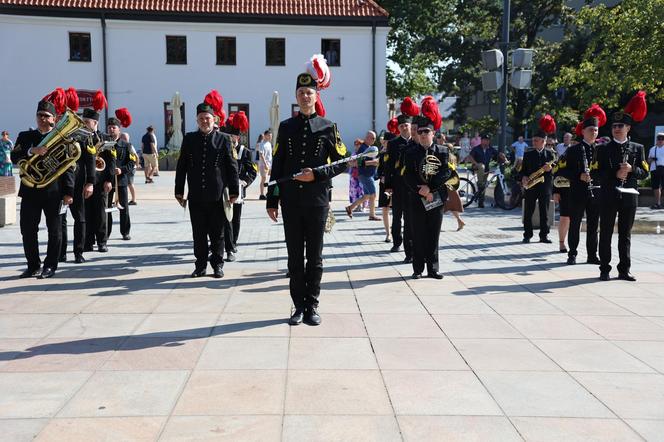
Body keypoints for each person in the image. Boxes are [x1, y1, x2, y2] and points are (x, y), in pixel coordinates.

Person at [266, 64, 348, 327]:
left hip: (316, 202)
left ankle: (312, 304)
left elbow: (343, 162)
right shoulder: (286, 127)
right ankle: (298, 306)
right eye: (301, 92)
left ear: (316, 96)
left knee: (314, 256)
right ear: (296, 96)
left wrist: (317, 176)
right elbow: (278, 165)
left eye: (309, 92)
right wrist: (272, 199)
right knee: (293, 256)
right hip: (291, 201)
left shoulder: (328, 127)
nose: (305, 97)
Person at [175, 94, 239, 279]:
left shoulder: (224, 139)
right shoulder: (189, 139)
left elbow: (232, 167)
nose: (205, 121)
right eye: (201, 118)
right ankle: (200, 265)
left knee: (217, 233)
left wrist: (234, 191)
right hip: (195, 195)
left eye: (208, 118)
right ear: (197, 120)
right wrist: (179, 190)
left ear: (214, 119)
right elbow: (182, 166)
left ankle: (218, 265)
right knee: (199, 233)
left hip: (217, 196)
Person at [11, 100, 74, 279]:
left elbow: (69, 166)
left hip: (54, 191)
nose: (42, 119)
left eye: (46, 116)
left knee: (55, 230)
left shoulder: (61, 138)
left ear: (54, 119)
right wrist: (32, 151)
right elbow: (14, 156)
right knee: (27, 229)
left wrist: (69, 192)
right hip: (30, 190)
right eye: (39, 115)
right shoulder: (25, 136)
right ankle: (33, 265)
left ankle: (50, 266)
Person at [597, 92, 649, 281]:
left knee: (625, 235)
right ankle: (604, 268)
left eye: (620, 126)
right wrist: (614, 174)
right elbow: (596, 173)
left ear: (628, 128)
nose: (616, 129)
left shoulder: (637, 148)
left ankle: (624, 269)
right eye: (614, 126)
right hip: (609, 195)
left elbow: (645, 173)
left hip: (629, 196)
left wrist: (631, 169)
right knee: (606, 233)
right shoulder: (602, 149)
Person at [404, 110, 450, 279]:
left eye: (426, 132)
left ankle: (433, 269)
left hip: (436, 197)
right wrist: (420, 190)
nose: (423, 135)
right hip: (417, 198)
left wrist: (430, 188)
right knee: (418, 234)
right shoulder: (410, 152)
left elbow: (445, 173)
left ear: (433, 133)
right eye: (420, 132)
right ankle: (417, 269)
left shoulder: (443, 151)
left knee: (433, 234)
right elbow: (407, 175)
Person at [562, 108, 604, 265]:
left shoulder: (601, 150)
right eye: (591, 130)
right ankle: (572, 253)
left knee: (594, 225)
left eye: (596, 130)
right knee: (575, 224)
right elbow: (562, 170)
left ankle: (592, 255)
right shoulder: (573, 150)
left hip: (596, 192)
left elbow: (605, 170)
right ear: (583, 132)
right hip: (578, 192)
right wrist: (578, 176)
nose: (594, 132)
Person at [60, 104, 96, 264]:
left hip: (78, 182)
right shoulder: (60, 136)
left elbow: (90, 161)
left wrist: (90, 183)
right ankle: (60, 253)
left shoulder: (84, 137)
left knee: (80, 219)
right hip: (60, 183)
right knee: (60, 219)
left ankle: (78, 252)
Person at [384, 98, 419, 262]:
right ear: (398, 128)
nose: (405, 128)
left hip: (411, 186)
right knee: (397, 215)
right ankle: (396, 241)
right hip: (397, 185)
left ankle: (409, 248)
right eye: (402, 126)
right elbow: (388, 166)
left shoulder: (416, 143)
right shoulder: (393, 143)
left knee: (410, 218)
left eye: (407, 126)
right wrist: (388, 185)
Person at [222, 111, 257, 261]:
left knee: (235, 218)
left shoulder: (245, 152)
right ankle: (226, 245)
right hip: (224, 189)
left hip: (239, 189)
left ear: (237, 137)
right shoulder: (222, 150)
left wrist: (245, 181)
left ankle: (233, 242)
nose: (231, 139)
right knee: (225, 218)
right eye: (228, 136)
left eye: (233, 136)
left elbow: (252, 171)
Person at [83, 94, 115, 253]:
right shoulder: (80, 138)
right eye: (83, 122)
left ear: (95, 123)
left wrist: (109, 180)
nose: (84, 124)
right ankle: (88, 241)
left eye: (86, 122)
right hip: (84, 180)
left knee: (101, 212)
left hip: (101, 180)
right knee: (86, 212)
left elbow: (111, 161)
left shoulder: (105, 138)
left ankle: (102, 241)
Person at [519, 117, 556, 244]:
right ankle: (527, 235)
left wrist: (550, 169)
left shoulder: (551, 154)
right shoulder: (528, 154)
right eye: (533, 140)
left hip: (545, 186)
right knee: (528, 211)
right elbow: (522, 171)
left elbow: (556, 170)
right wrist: (523, 177)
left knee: (544, 212)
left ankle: (544, 235)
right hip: (531, 185)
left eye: (536, 140)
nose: (533, 142)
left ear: (544, 141)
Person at [106, 110, 136, 241]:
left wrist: (122, 170)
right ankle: (105, 233)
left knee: (123, 208)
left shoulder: (126, 145)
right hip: (107, 181)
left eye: (114, 128)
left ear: (119, 129)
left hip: (122, 181)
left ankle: (125, 231)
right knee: (107, 209)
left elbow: (132, 162)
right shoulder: (104, 144)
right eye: (109, 128)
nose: (111, 130)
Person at [345, 131, 379, 220]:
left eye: (373, 138)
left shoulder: (368, 147)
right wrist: (374, 162)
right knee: (373, 194)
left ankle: (350, 208)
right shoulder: (363, 148)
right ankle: (372, 215)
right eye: (370, 137)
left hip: (367, 175)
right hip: (365, 174)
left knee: (367, 195)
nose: (372, 140)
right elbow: (358, 162)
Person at [468, 134, 507, 208]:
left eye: (488, 140)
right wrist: (475, 163)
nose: (486, 142)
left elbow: (499, 154)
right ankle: (480, 183)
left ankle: (481, 202)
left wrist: (505, 159)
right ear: (481, 141)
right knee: (481, 168)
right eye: (485, 140)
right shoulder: (476, 148)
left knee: (484, 185)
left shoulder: (490, 149)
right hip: (477, 167)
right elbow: (470, 156)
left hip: (486, 169)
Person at [377, 130, 394, 242]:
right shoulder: (382, 154)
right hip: (384, 184)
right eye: (385, 141)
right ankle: (388, 233)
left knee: (397, 210)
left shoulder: (398, 152)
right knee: (385, 208)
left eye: (388, 141)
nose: (385, 143)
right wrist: (381, 176)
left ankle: (395, 231)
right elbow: (379, 169)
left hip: (396, 184)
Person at [444, 147, 465, 231]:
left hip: (446, 183)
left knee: (446, 204)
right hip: (451, 183)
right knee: (451, 205)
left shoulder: (447, 157)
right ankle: (460, 221)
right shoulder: (453, 157)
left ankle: (460, 221)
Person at [647, 133, 664, 209]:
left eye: (662, 138)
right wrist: (652, 159)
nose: (660, 140)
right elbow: (648, 160)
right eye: (659, 138)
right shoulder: (652, 149)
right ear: (656, 139)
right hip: (654, 169)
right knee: (656, 187)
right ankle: (658, 203)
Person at [348, 138, 365, 209]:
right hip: (354, 175)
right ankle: (358, 206)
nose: (356, 146)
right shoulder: (354, 153)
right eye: (355, 144)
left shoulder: (363, 154)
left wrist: (355, 163)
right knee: (355, 190)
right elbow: (350, 163)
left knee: (362, 190)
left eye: (358, 144)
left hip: (361, 174)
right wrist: (355, 164)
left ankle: (363, 206)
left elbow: (361, 164)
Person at [123, 133, 138, 205]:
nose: (125, 139)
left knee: (130, 183)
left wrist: (136, 165)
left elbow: (136, 156)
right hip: (129, 167)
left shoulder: (129, 146)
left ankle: (134, 199)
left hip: (131, 168)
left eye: (126, 138)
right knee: (128, 183)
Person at [258, 130, 272, 200]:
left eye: (271, 135)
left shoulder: (269, 144)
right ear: (265, 135)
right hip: (263, 165)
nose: (270, 137)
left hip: (269, 164)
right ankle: (261, 194)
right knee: (264, 178)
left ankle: (267, 193)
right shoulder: (261, 144)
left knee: (269, 179)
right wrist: (265, 164)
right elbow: (261, 154)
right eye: (269, 135)